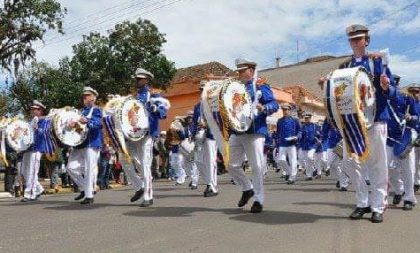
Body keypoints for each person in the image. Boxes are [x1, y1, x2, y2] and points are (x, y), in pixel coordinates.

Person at [320, 24, 396, 223]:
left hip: (377, 118)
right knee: (350, 162)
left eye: (359, 38)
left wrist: (387, 86)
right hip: (353, 123)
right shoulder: (344, 67)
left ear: (366, 40)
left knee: (378, 165)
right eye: (352, 39)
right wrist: (326, 85)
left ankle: (378, 206)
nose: (355, 42)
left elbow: (393, 91)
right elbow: (337, 93)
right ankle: (362, 202)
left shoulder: (378, 62)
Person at [227, 58, 279, 213]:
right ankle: (247, 188)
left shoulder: (261, 85)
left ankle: (258, 199)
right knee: (231, 164)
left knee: (256, 167)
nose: (240, 73)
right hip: (237, 131)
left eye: (242, 70)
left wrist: (264, 107)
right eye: (239, 71)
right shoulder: (235, 88)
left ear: (251, 70)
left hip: (255, 131)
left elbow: (274, 104)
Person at [120, 68, 168, 207]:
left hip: (146, 134)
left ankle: (148, 196)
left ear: (146, 80)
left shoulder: (153, 95)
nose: (137, 81)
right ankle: (139, 186)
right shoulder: (133, 98)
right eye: (136, 79)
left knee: (145, 164)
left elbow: (163, 112)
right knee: (125, 160)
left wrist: (155, 109)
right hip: (132, 135)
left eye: (139, 79)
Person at [67, 87, 103, 205]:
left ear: (93, 98)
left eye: (87, 96)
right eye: (83, 96)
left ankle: (89, 195)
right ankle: (85, 188)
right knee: (71, 167)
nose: (84, 98)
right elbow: (77, 128)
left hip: (92, 143)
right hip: (80, 144)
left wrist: (87, 120)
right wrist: (72, 125)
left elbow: (98, 124)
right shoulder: (80, 112)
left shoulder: (96, 110)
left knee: (89, 168)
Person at [21, 100, 51, 202]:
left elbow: (46, 133)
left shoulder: (45, 120)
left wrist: (37, 129)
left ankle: (30, 194)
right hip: (27, 149)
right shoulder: (30, 121)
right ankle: (38, 189)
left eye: (35, 109)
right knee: (24, 172)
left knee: (32, 171)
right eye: (32, 109)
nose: (33, 111)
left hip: (37, 148)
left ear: (41, 110)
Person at [192, 82, 219, 197]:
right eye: (201, 89)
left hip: (211, 135)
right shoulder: (197, 106)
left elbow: (219, 121)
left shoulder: (214, 105)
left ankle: (212, 186)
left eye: (204, 89)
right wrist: (193, 133)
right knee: (198, 160)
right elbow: (194, 122)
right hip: (199, 136)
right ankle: (209, 181)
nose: (202, 91)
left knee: (211, 161)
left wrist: (207, 124)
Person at [275, 103, 300, 184]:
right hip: (282, 143)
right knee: (281, 160)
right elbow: (278, 133)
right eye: (283, 110)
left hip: (291, 143)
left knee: (293, 161)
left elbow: (300, 131)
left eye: (287, 110)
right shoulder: (279, 121)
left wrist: (297, 137)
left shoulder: (294, 120)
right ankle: (289, 173)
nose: (285, 111)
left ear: (290, 110)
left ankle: (292, 178)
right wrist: (277, 145)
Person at [298, 113, 319, 181]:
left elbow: (320, 134)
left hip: (312, 145)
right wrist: (298, 136)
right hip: (304, 145)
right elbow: (300, 133)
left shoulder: (315, 126)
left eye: (308, 118)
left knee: (310, 157)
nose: (307, 119)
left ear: (310, 118)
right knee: (307, 161)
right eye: (305, 118)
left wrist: (319, 139)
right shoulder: (302, 127)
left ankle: (314, 168)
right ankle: (309, 175)